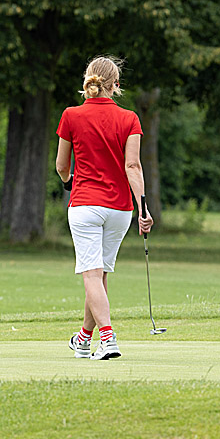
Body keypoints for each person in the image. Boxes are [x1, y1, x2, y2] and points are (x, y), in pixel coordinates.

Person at [55, 56, 154, 361]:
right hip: (120, 209)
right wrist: (143, 208)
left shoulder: (71, 115)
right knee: (99, 275)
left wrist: (68, 182)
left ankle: (108, 339)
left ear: (88, 81)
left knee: (91, 274)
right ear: (116, 85)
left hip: (85, 204)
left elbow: (61, 166)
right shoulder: (130, 118)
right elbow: (133, 166)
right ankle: (84, 339)